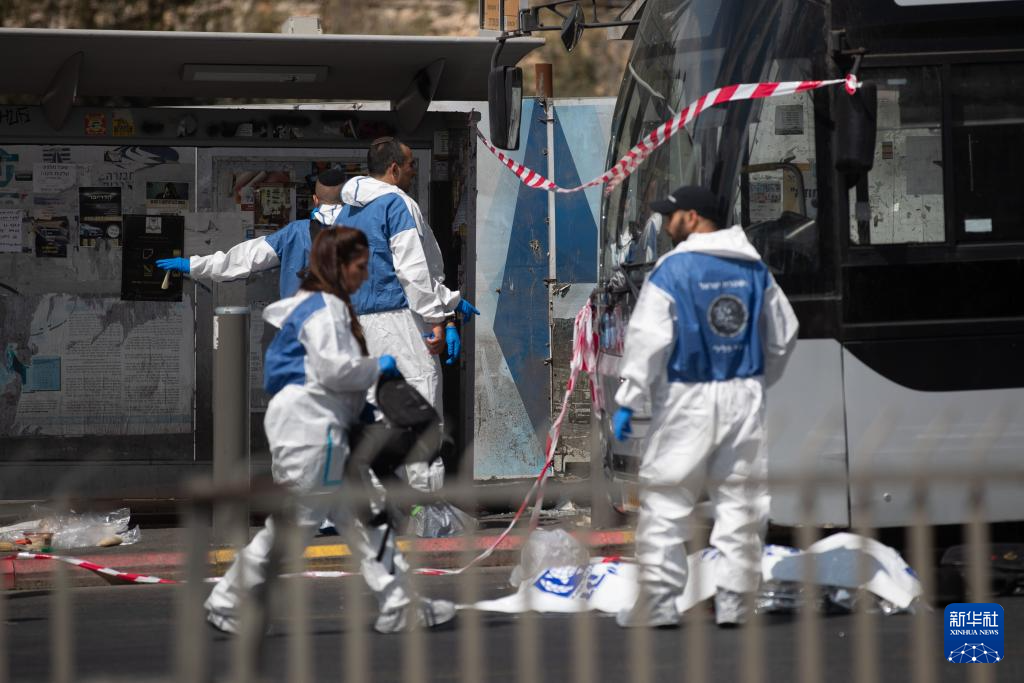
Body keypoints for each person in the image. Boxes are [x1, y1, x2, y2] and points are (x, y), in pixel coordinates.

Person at [204, 227, 455, 635]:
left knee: (364, 520)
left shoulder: (313, 305)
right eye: (360, 266)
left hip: (315, 425)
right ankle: (228, 601)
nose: (365, 274)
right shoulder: (326, 309)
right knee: (299, 522)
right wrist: (378, 367)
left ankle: (398, 602)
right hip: (314, 428)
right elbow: (333, 371)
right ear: (339, 266)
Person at [612, 185, 798, 628]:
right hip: (743, 397)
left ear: (692, 217)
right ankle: (734, 602)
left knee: (667, 498)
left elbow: (647, 340)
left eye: (671, 215)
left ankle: (659, 603)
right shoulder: (753, 267)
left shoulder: (672, 270)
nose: (665, 223)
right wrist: (756, 380)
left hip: (688, 397)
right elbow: (783, 335)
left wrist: (629, 399)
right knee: (742, 501)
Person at [339, 137, 478, 492]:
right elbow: (413, 273)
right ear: (394, 168)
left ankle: (379, 507)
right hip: (401, 322)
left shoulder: (347, 211)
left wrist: (447, 300)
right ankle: (426, 510)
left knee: (375, 416)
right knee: (421, 414)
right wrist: (437, 319)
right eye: (411, 164)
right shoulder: (397, 204)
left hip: (360, 325)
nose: (414, 171)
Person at [155, 168, 351, 300]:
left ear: (315, 200)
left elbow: (242, 259)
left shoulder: (294, 234)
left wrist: (191, 265)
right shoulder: (362, 231)